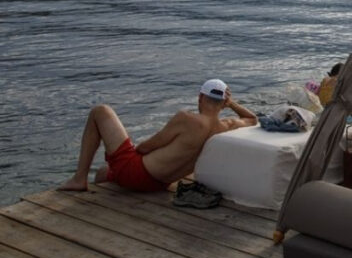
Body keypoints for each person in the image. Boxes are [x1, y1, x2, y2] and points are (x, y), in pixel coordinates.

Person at [59, 79, 257, 193]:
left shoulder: (187, 119)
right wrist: (231, 104)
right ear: (223, 103)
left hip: (138, 173)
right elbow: (252, 118)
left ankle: (79, 179)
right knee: (103, 173)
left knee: (100, 111)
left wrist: (133, 149)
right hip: (159, 184)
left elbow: (145, 147)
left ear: (200, 97)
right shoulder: (226, 126)